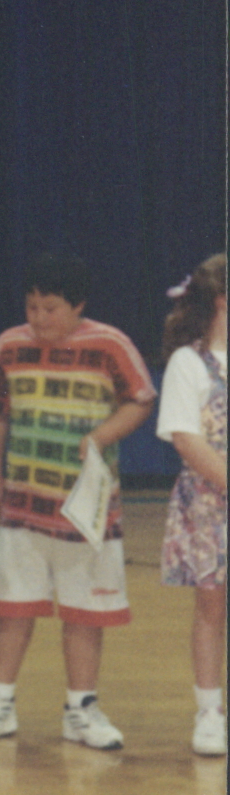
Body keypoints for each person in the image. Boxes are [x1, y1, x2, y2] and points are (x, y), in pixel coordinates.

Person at [0, 253, 156, 749]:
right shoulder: (9, 345)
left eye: (50, 309)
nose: (39, 318)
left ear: (78, 305)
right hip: (24, 506)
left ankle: (81, 709)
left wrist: (101, 435)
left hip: (87, 509)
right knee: (13, 606)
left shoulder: (110, 344)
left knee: (84, 613)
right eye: (31, 307)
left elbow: (141, 398)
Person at [156, 253, 227, 757]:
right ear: (222, 301)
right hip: (210, 504)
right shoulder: (189, 362)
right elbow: (186, 437)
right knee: (211, 606)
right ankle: (209, 711)